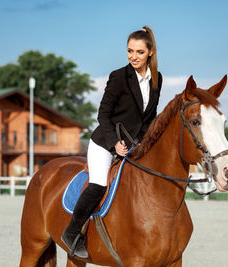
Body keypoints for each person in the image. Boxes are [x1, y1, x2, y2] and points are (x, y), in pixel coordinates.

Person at [61, 26, 163, 258]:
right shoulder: (119, 76)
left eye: (139, 52)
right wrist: (115, 143)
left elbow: (150, 118)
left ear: (150, 53)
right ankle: (72, 231)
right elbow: (103, 115)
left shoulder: (157, 79)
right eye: (129, 51)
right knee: (99, 183)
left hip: (134, 146)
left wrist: (148, 145)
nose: (133, 56)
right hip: (105, 143)